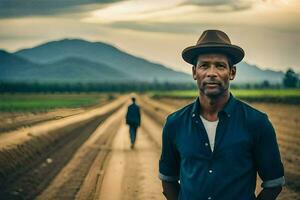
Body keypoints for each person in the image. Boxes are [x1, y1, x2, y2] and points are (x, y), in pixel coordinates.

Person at [159, 30, 285, 200]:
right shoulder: (175, 123)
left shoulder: (257, 123)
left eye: (220, 65)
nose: (212, 73)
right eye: (204, 65)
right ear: (194, 72)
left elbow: (274, 183)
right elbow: (168, 181)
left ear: (232, 72)